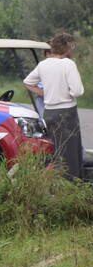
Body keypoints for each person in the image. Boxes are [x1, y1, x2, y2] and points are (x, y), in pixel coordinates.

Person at [24, 33, 84, 179]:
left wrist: (43, 92)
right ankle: (71, 185)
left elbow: (27, 82)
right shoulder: (68, 64)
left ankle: (53, 182)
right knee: (70, 152)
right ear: (68, 47)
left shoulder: (43, 64)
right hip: (66, 111)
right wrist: (65, 92)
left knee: (55, 149)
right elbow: (78, 91)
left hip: (49, 111)